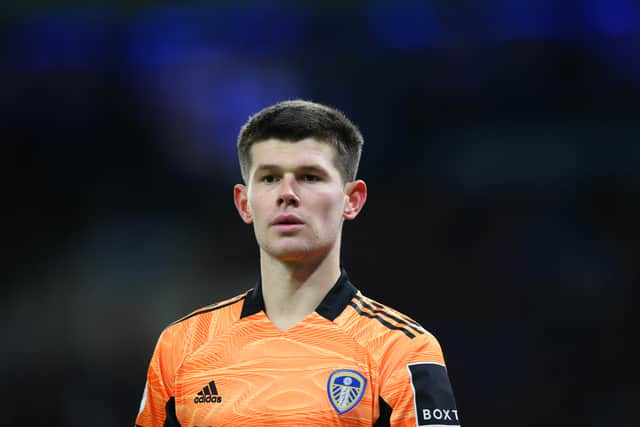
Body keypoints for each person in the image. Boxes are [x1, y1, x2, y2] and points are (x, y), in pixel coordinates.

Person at [135, 100, 461, 426]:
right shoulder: (182, 346)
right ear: (244, 203)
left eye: (309, 177)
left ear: (353, 200)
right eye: (269, 178)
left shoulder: (401, 352)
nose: (287, 193)